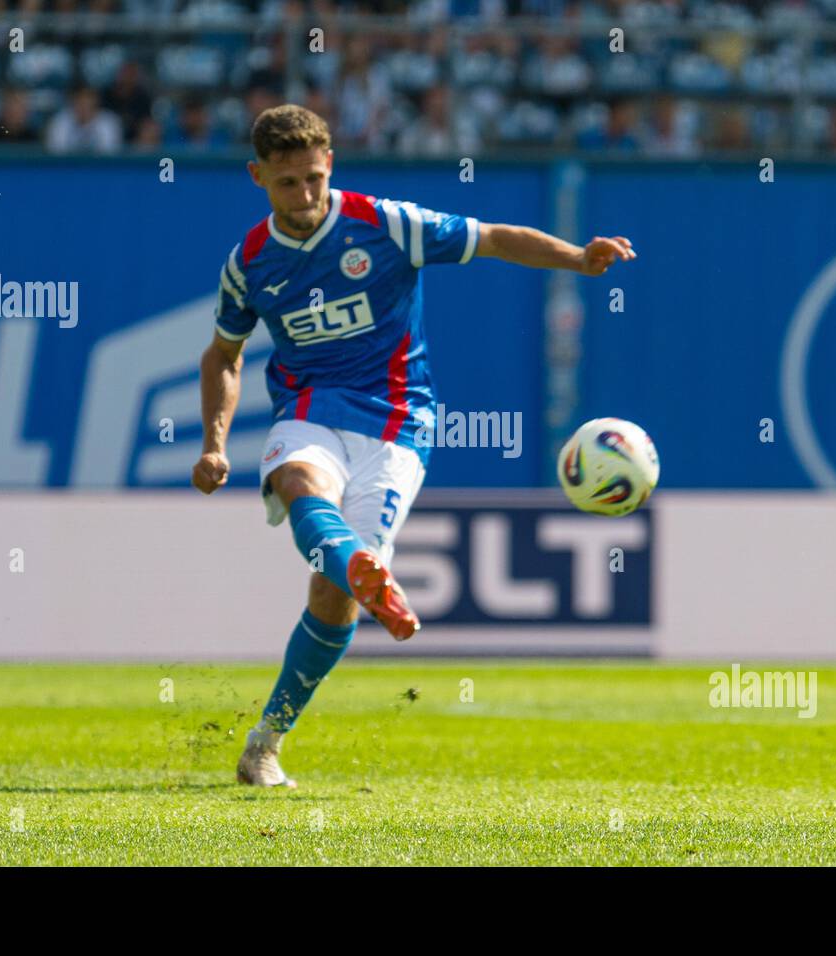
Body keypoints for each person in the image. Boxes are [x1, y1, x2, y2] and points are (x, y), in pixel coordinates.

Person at [192, 104, 635, 788]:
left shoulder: (385, 223)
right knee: (299, 482)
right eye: (288, 183)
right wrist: (215, 442)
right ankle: (365, 570)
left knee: (330, 594)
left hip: (398, 423)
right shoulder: (249, 262)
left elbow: (492, 237)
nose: (305, 195)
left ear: (330, 164)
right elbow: (224, 354)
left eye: (313, 178)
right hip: (308, 408)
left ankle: (266, 739)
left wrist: (578, 258)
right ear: (258, 177)